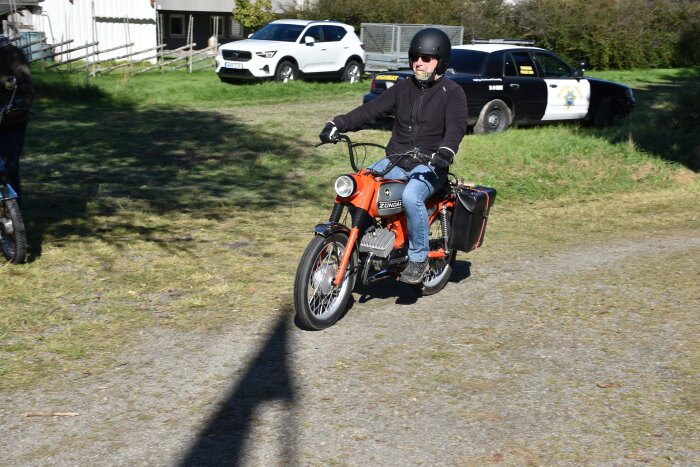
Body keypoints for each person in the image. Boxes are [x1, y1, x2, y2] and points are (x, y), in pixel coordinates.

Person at [319, 28, 468, 284]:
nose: (419, 63)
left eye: (427, 58)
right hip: (397, 160)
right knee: (358, 184)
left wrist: (445, 152)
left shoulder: (452, 93)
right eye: (415, 57)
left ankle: (418, 258)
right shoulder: (403, 88)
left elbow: (456, 128)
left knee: (412, 195)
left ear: (440, 62)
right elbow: (370, 111)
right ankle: (359, 244)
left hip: (430, 165)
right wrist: (337, 124)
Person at [0, 36, 33, 205]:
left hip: (10, 118)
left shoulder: (12, 55)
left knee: (8, 165)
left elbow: (25, 86)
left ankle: (14, 213)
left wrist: (18, 106)